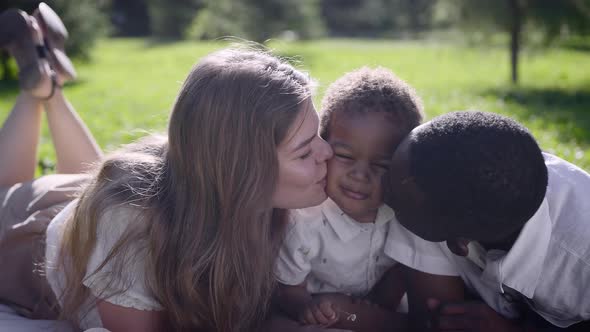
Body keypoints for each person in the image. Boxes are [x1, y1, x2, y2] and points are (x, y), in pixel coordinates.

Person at [0, 4, 335, 332]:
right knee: (7, 193)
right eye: (305, 152)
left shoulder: (208, 174)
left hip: (85, 204)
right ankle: (39, 88)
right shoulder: (130, 228)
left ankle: (46, 83)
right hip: (25, 240)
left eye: (317, 134)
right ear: (242, 171)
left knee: (88, 181)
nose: (328, 152)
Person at [383, 111, 590, 331]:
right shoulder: (436, 184)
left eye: (395, 199)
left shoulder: (581, 256)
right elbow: (431, 321)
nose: (382, 189)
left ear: (458, 244)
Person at [273, 67, 424, 332]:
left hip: (379, 313)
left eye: (381, 165)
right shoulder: (304, 221)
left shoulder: (402, 214)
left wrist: (369, 313)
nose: (359, 175)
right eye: (344, 156)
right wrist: (306, 309)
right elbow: (289, 290)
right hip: (321, 313)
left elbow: (399, 273)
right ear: (323, 144)